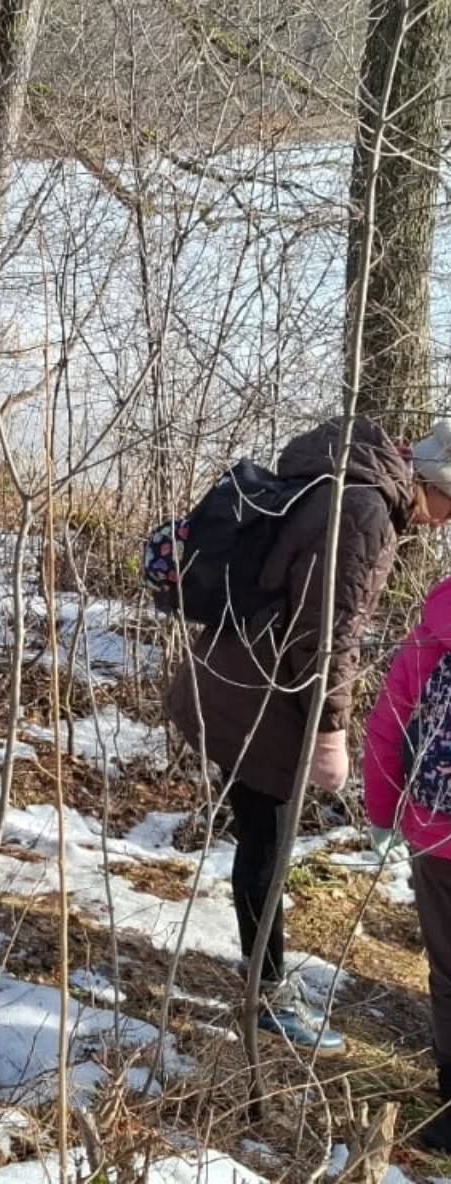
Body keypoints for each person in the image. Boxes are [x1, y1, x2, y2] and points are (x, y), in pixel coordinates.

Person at [167, 416, 451, 1052]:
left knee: (260, 837)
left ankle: (262, 979)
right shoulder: (367, 512)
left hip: (233, 670)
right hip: (261, 696)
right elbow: (327, 635)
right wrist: (330, 732)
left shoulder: (344, 481)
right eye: (449, 509)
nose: (441, 525)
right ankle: (266, 997)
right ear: (435, 485)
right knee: (266, 843)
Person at [364, 561, 451, 1151]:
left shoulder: (432, 630)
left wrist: (383, 813)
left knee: (449, 972)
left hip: (438, 833)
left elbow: (387, 730)